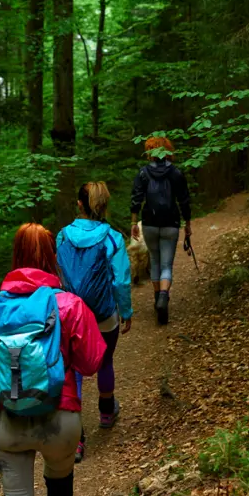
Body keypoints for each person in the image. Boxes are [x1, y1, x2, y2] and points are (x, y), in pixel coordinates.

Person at [0, 223, 106, 496]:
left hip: (7, 416)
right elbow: (92, 363)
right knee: (60, 495)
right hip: (60, 416)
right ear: (52, 256)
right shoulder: (70, 305)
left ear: (16, 255)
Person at [57, 182, 133, 463]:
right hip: (103, 314)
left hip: (70, 314)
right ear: (103, 205)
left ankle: (77, 441)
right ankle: (105, 412)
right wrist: (126, 311)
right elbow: (122, 279)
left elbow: (60, 272)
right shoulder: (112, 237)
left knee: (73, 371)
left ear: (80, 204)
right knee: (106, 361)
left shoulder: (62, 236)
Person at [130, 137, 192, 324]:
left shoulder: (143, 173)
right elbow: (184, 200)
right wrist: (187, 223)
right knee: (166, 264)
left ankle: (158, 298)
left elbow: (136, 198)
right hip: (170, 223)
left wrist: (134, 222)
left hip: (149, 223)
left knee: (155, 261)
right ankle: (164, 296)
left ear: (149, 151)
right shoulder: (176, 173)